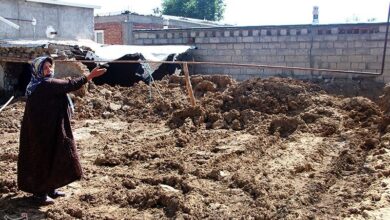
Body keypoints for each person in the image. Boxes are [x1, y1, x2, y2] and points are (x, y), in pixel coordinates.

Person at [18, 56, 107, 205]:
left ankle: (51, 188)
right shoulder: (46, 84)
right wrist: (90, 76)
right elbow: (70, 84)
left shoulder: (34, 85)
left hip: (49, 128)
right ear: (37, 71)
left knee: (55, 153)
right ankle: (40, 193)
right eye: (45, 68)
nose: (49, 70)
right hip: (42, 132)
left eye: (50, 67)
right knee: (43, 158)